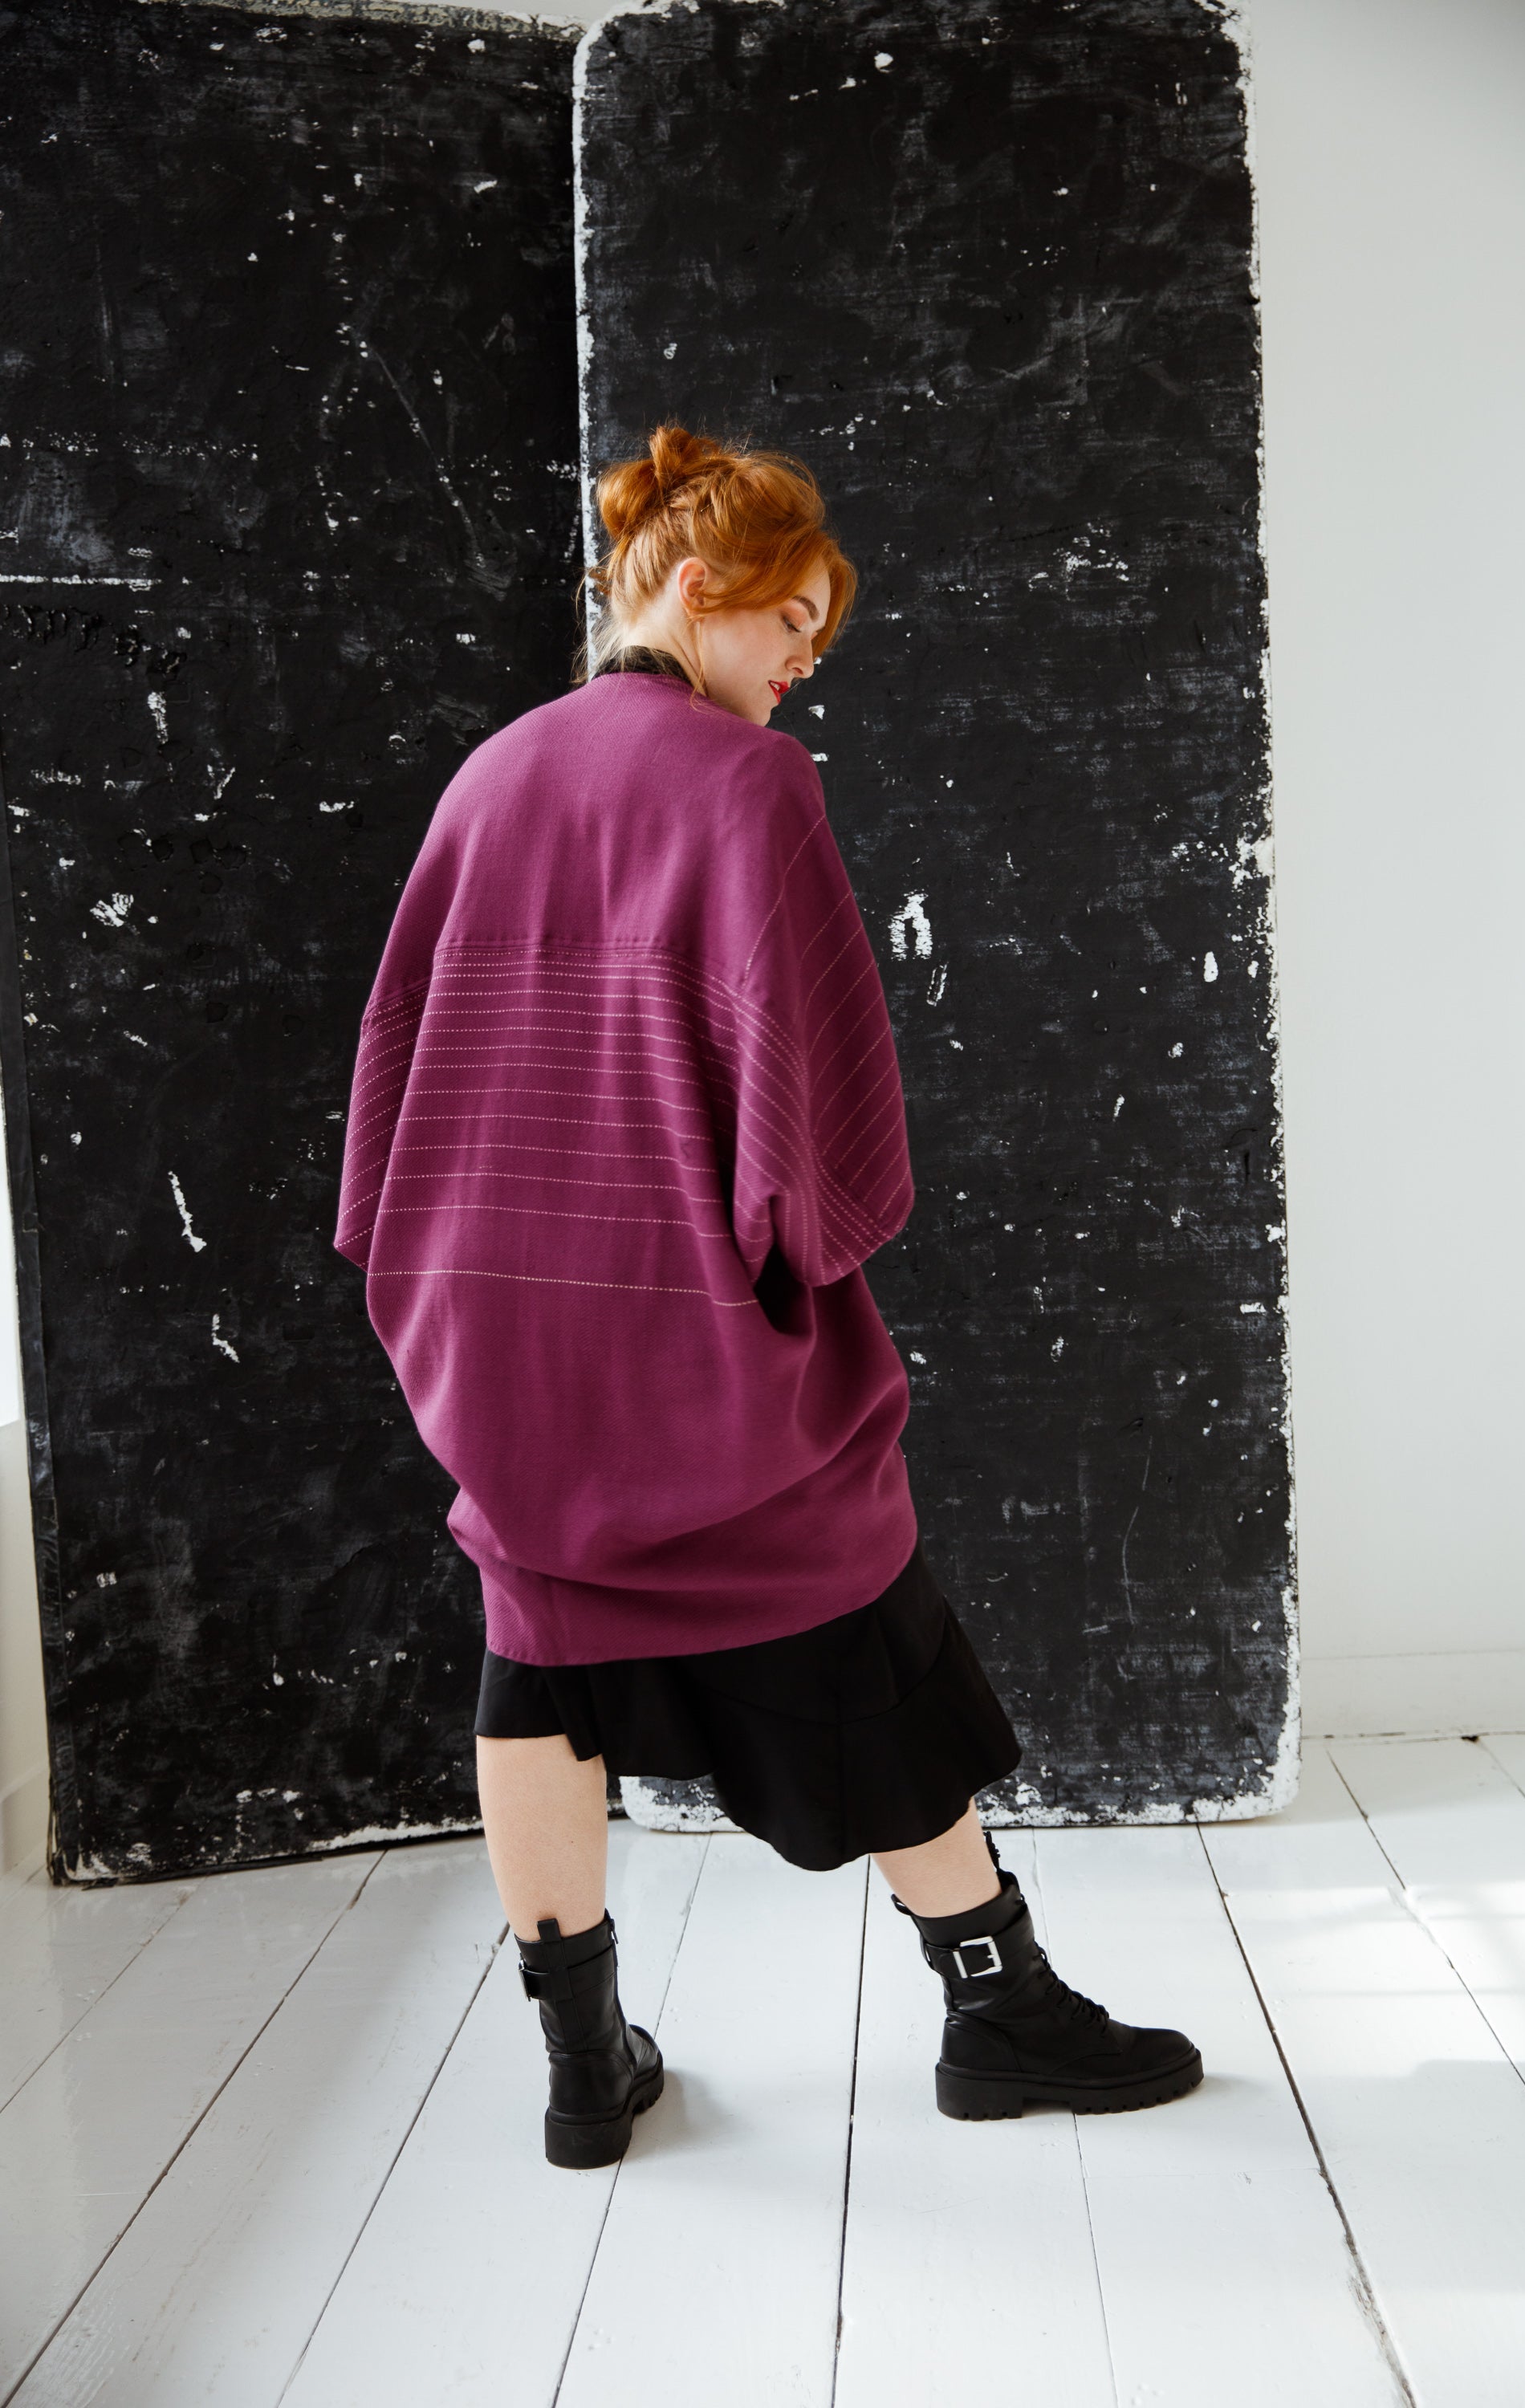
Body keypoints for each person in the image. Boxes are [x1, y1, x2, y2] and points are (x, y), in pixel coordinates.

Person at [334, 425, 1202, 2169]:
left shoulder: (491, 772)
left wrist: (436, 1276)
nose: (806, 658)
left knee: (537, 1657)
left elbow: (398, 1066)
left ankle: (586, 2067)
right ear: (689, 585)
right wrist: (799, 1257)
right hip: (685, 1318)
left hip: (495, 1311)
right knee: (861, 1622)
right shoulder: (750, 785)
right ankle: (1001, 2010)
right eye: (789, 618)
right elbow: (812, 1118)